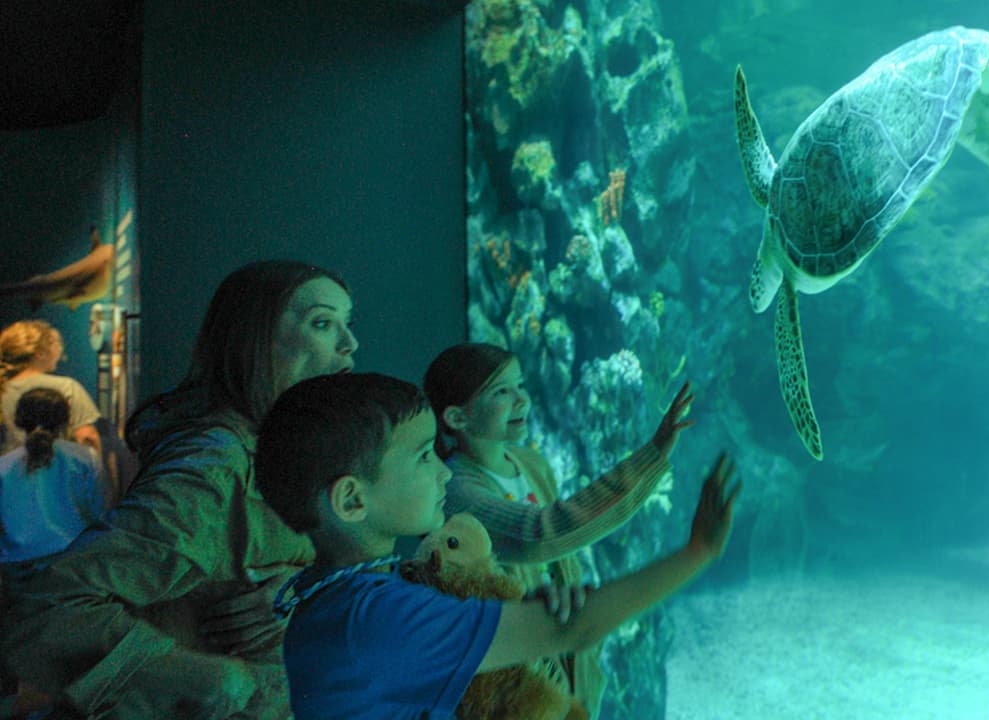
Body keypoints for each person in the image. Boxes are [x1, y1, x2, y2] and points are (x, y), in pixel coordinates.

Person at [256, 372, 739, 720]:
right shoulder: (376, 618)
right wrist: (698, 552)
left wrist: (516, 613)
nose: (443, 472)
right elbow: (575, 628)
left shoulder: (334, 597)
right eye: (423, 457)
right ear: (352, 500)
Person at [0, 260, 358, 719]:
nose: (350, 343)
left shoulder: (277, 451)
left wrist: (303, 586)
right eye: (322, 323)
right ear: (255, 340)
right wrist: (199, 675)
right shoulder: (214, 468)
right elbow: (46, 609)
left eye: (347, 323)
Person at [423, 343, 694, 715]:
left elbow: (563, 556)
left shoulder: (531, 463)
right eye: (501, 392)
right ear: (457, 417)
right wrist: (652, 457)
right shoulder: (457, 490)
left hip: (569, 661)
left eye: (520, 385)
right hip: (518, 682)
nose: (521, 399)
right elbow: (543, 534)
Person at [0, 388, 110, 581]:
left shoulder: (4, 465)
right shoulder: (86, 458)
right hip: (71, 563)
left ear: (19, 420)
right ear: (65, 419)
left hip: (16, 567)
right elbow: (100, 511)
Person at [0, 319, 102, 456]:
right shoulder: (67, 387)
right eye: (56, 344)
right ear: (40, 353)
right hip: (57, 467)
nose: (60, 350)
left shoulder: (3, 388)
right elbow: (87, 437)